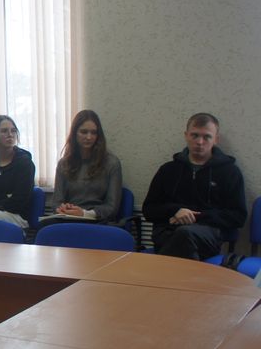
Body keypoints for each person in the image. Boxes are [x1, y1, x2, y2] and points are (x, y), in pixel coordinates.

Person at [142, 113, 246, 259]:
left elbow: (238, 217)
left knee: (185, 234)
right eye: (195, 135)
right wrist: (175, 211)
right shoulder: (168, 170)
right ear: (186, 136)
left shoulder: (230, 172)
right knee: (180, 239)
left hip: (207, 234)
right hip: (167, 231)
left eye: (207, 137)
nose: (200, 142)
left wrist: (195, 217)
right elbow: (148, 210)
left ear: (216, 140)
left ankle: (162, 269)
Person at [48, 110, 123, 223]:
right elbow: (56, 203)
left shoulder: (112, 163)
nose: (89, 137)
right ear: (74, 134)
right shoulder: (63, 164)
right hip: (68, 219)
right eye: (83, 132)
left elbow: (112, 208)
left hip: (97, 221)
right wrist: (63, 209)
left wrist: (84, 213)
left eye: (94, 133)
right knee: (43, 228)